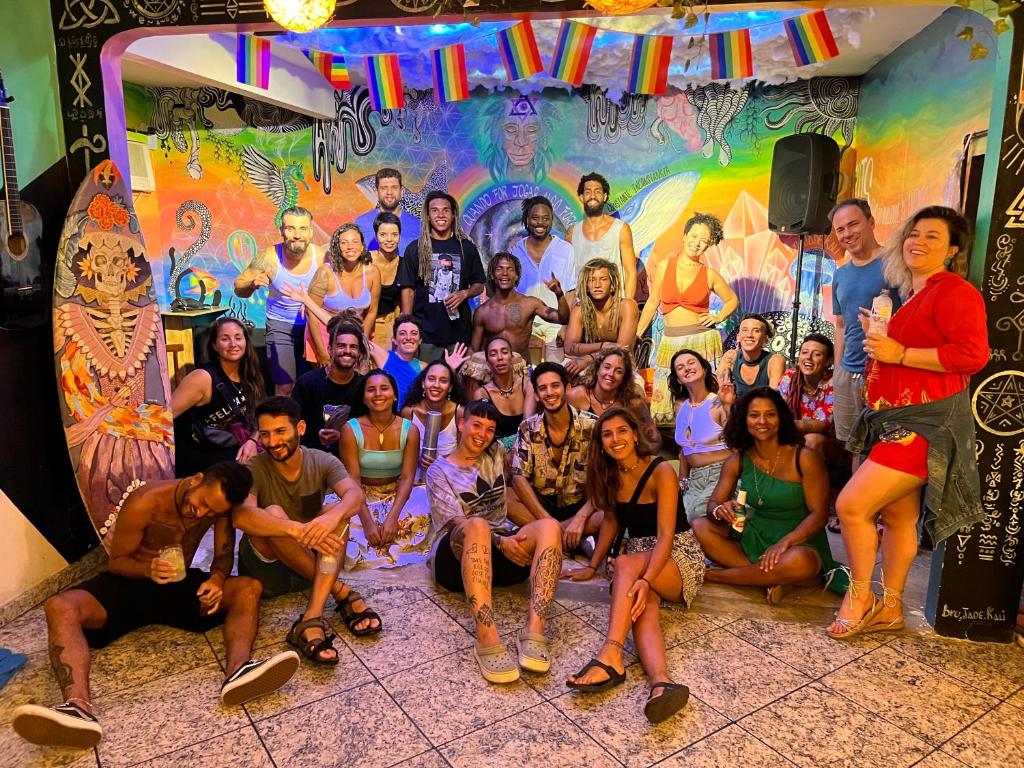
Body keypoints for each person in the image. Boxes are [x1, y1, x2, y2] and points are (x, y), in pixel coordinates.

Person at [12, 462, 311, 748]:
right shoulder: (146, 501)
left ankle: (239, 671)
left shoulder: (219, 510)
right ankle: (77, 708)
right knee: (59, 605)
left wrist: (217, 580)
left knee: (248, 587)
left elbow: (222, 556)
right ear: (196, 479)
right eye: (201, 502)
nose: (201, 512)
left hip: (176, 588)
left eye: (211, 511)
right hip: (129, 585)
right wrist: (148, 569)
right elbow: (118, 562)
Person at [828, 207, 989, 639]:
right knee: (898, 517)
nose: (918, 242)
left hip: (927, 423)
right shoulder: (911, 294)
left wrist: (899, 354)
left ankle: (860, 597)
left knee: (851, 505)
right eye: (914, 234)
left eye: (933, 237)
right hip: (895, 417)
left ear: (953, 250)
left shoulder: (954, 290)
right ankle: (892, 607)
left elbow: (973, 355)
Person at [563, 407, 703, 724]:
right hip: (638, 555)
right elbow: (611, 521)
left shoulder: (660, 471)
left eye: (622, 431)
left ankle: (611, 654)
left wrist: (646, 578)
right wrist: (593, 565)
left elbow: (667, 535)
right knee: (643, 608)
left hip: (676, 555)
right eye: (607, 434)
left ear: (635, 433)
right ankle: (662, 683)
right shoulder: (609, 474)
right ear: (600, 443)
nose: (616, 439)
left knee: (627, 567)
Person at [425, 399, 563, 684]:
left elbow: (525, 442)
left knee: (550, 527)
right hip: (454, 560)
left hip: (502, 557)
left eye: (489, 429)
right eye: (476, 425)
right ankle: (486, 637)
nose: (482, 434)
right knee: (476, 524)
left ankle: (535, 630)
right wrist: (502, 543)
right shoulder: (438, 471)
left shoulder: (497, 452)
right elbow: (458, 524)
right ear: (461, 424)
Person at [235, 396, 382, 662]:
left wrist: (332, 516)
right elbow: (242, 517)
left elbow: (354, 495)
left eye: (281, 432)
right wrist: (292, 529)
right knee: (273, 514)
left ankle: (312, 617)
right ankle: (340, 592)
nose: (273, 442)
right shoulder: (254, 467)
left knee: (335, 514)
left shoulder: (322, 460)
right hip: (267, 571)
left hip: (309, 568)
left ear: (300, 428)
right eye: (265, 434)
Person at [692, 387, 845, 605]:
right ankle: (774, 577)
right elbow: (713, 505)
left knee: (801, 563)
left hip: (799, 542)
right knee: (699, 526)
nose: (762, 421)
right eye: (754, 415)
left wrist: (785, 543)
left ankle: (714, 576)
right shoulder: (738, 459)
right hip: (755, 536)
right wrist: (720, 510)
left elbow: (819, 515)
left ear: (781, 418)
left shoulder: (804, 458)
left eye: (770, 414)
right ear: (744, 420)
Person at [637, 213, 739, 427]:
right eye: (693, 237)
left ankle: (707, 443)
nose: (697, 243)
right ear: (684, 236)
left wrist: (718, 317)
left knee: (704, 401)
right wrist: (636, 334)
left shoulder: (709, 274)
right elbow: (652, 302)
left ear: (709, 245)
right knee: (668, 400)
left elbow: (732, 300)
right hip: (670, 341)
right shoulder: (665, 266)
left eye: (704, 241)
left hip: (702, 341)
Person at [829, 198, 901, 459]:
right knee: (855, 449)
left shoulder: (896, 264)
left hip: (886, 372)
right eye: (840, 229)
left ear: (871, 222)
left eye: (853, 224)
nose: (847, 234)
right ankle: (853, 501)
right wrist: (838, 370)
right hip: (848, 374)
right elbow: (840, 324)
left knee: (887, 450)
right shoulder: (841, 273)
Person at [338, 369, 429, 569]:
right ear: (363, 398)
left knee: (423, 507)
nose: (378, 394)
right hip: (360, 495)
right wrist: (368, 522)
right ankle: (376, 542)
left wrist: (392, 519)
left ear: (395, 395)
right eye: (371, 390)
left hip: (395, 494)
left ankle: (382, 543)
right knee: (338, 522)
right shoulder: (350, 429)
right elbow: (352, 479)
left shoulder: (410, 430)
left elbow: (407, 478)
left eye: (384, 388)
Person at [509, 362, 601, 550]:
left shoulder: (593, 426)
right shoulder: (527, 427)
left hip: (580, 505)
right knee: (506, 496)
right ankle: (564, 537)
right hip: (541, 505)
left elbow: (605, 480)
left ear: (567, 388)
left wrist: (581, 517)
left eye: (555, 385)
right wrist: (547, 520)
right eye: (543, 388)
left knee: (608, 512)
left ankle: (545, 537)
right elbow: (518, 476)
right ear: (536, 395)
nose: (549, 393)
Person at [233, 206, 322, 395]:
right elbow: (238, 287)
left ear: (311, 232)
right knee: (285, 386)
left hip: (312, 326)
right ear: (281, 231)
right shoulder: (269, 257)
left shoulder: (322, 258)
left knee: (316, 385)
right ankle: (282, 423)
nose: (297, 235)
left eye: (303, 228)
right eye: (290, 228)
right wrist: (252, 283)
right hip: (280, 327)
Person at [397, 191, 485, 361]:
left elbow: (479, 284)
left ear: (453, 215)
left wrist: (464, 293)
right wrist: (407, 326)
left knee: (458, 385)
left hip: (459, 335)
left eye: (446, 210)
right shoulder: (415, 248)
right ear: (428, 216)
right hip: (426, 336)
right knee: (427, 384)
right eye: (435, 210)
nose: (440, 215)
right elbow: (408, 289)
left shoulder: (466, 247)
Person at [171, 316, 264, 477]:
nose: (233, 344)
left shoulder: (250, 373)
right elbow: (163, 418)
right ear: (214, 345)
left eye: (238, 338)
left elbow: (263, 415)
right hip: (203, 456)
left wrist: (253, 441)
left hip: (236, 446)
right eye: (225, 339)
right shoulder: (202, 378)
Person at [465, 252, 568, 382]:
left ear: (517, 275)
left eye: (510, 269)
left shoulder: (530, 304)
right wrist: (462, 370)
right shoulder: (483, 312)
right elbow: (474, 348)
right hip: (493, 375)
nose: (505, 273)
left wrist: (559, 295)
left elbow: (563, 319)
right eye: (499, 269)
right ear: (492, 275)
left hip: (522, 371)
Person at [295, 223, 381, 366]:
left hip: (356, 335)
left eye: (355, 242)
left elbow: (371, 312)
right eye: (344, 243)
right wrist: (321, 352)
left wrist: (362, 342)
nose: (350, 247)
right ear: (337, 247)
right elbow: (312, 314)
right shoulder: (325, 273)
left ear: (362, 246)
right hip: (325, 335)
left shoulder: (373, 272)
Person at [777, 334, 848, 491]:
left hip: (832, 447)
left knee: (812, 440)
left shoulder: (833, 383)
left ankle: (814, 495)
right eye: (804, 352)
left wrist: (787, 425)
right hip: (793, 434)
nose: (808, 358)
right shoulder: (790, 377)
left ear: (828, 361)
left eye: (817, 354)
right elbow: (776, 408)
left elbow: (823, 424)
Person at [670, 349, 732, 525]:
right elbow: (684, 453)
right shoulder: (681, 408)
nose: (687, 368)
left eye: (691, 363)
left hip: (720, 475)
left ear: (704, 369)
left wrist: (728, 406)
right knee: (673, 517)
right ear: (677, 378)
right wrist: (680, 486)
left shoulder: (718, 402)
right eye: (680, 367)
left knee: (698, 515)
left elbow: (737, 446)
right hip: (693, 480)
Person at [509, 195, 578, 343]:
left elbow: (571, 291)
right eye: (535, 218)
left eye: (546, 218)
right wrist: (515, 327)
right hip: (524, 327)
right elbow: (510, 294)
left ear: (551, 220)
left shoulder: (566, 250)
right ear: (527, 220)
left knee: (554, 367)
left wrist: (566, 326)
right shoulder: (515, 251)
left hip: (556, 326)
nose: (540, 222)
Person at [290, 318, 366, 451]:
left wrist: (343, 437)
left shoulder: (364, 386)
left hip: (351, 457)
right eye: (341, 346)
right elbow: (292, 425)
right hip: (311, 456)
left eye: (353, 347)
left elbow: (369, 430)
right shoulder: (307, 383)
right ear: (330, 350)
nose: (347, 351)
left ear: (359, 353)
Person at [567, 346, 660, 449]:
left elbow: (654, 441)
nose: (611, 374)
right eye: (607, 367)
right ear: (597, 369)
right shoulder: (576, 396)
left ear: (624, 378)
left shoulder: (632, 403)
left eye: (619, 371)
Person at [367, 314, 468, 406]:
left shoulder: (425, 367)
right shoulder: (385, 357)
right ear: (394, 339)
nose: (408, 338)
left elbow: (439, 387)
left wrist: (449, 368)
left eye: (414, 333)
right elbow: (360, 339)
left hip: (411, 418)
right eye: (402, 333)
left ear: (420, 340)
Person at [562, 258, 639, 379]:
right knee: (564, 375)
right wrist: (602, 346)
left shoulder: (627, 306)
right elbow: (569, 347)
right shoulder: (580, 309)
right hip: (587, 363)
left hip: (620, 364)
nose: (597, 285)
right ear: (586, 286)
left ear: (612, 285)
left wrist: (589, 358)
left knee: (635, 389)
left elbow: (622, 350)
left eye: (603, 279)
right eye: (592, 280)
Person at [567, 172, 637, 299]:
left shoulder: (621, 229)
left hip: (613, 306)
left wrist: (627, 306)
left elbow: (630, 272)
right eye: (588, 192)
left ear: (605, 196)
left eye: (598, 191)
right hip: (582, 307)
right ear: (581, 197)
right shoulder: (572, 233)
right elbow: (568, 276)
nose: (592, 196)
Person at [400, 359, 467, 477]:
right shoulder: (409, 413)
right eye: (431, 379)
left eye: (443, 381)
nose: (436, 385)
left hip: (450, 478)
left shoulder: (460, 413)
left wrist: (442, 462)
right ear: (423, 383)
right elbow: (402, 455)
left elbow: (465, 453)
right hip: (415, 479)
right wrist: (417, 458)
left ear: (450, 387)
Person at [472, 336, 536, 453]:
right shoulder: (482, 394)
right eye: (493, 354)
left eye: (504, 352)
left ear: (511, 358)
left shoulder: (527, 384)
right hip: (495, 454)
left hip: (526, 448)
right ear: (488, 362)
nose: (500, 358)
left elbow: (527, 426)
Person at [716, 313, 786, 398]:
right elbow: (719, 390)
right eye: (745, 330)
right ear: (738, 337)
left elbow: (773, 399)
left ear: (765, 339)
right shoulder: (731, 357)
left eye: (756, 331)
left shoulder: (775, 360)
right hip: (737, 409)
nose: (749, 335)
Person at [354, 168, 421, 254]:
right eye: (384, 188)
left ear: (402, 191)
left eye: (394, 187)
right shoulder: (360, 223)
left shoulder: (418, 225)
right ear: (376, 192)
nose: (389, 192)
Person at [369, 211, 404, 347]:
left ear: (399, 237)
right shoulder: (365, 260)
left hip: (387, 328)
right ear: (376, 237)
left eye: (394, 235)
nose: (389, 239)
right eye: (383, 235)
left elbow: (401, 302)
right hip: (362, 324)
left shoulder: (403, 264)